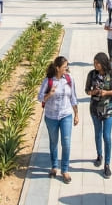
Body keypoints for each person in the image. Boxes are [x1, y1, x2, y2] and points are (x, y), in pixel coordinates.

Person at [38, 56, 79, 184]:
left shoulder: (69, 79)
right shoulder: (48, 81)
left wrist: (76, 114)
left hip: (66, 115)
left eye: (67, 66)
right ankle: (54, 167)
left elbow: (73, 97)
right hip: (51, 117)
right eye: (64, 66)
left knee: (66, 143)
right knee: (53, 142)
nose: (67, 68)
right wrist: (50, 93)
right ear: (57, 68)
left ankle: (65, 169)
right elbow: (40, 98)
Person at [84, 52, 112, 178]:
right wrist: (93, 91)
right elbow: (87, 90)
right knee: (98, 134)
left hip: (109, 109)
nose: (95, 65)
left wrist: (107, 92)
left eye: (97, 63)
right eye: (94, 63)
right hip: (95, 109)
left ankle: (107, 164)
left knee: (107, 136)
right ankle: (99, 155)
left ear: (103, 63)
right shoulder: (91, 74)